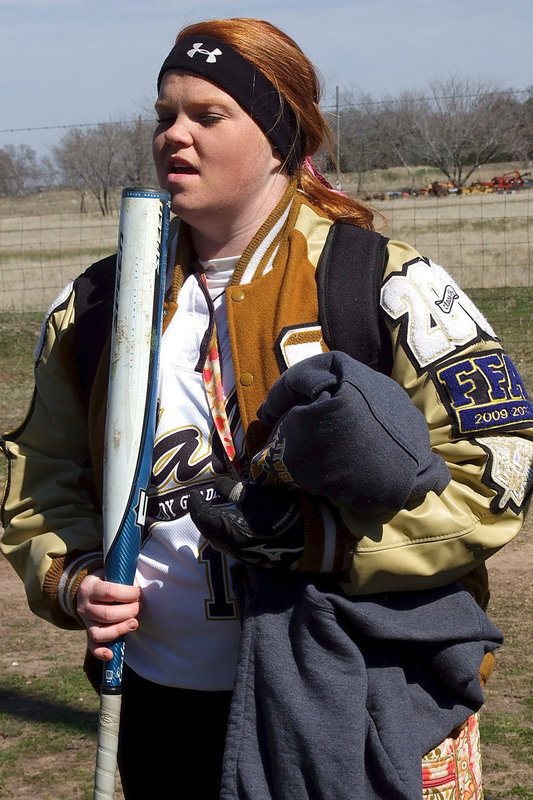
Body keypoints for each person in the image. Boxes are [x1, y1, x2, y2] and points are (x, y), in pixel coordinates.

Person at [1, 17, 532, 800]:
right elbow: (41, 475)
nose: (173, 135)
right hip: (161, 703)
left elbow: (496, 468)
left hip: (355, 698)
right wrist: (73, 576)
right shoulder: (94, 307)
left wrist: (324, 542)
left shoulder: (381, 283)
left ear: (280, 135)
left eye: (207, 115)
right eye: (164, 115)